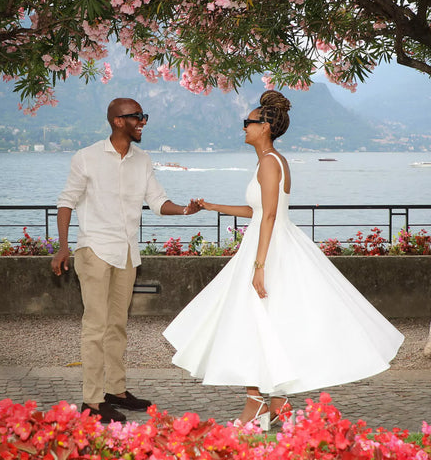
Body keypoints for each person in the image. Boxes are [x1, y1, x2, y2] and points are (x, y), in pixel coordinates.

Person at [163, 90, 404, 430]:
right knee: (266, 322)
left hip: (269, 249)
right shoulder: (272, 161)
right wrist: (212, 206)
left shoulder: (269, 162)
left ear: (264, 127)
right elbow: (257, 210)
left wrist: (259, 266)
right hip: (271, 243)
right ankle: (276, 403)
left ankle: (256, 405)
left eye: (248, 122)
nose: (244, 126)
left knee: (251, 321)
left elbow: (270, 215)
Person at [52, 97, 200, 424]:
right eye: (137, 116)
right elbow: (66, 202)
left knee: (117, 325)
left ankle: (115, 391)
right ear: (118, 121)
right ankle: (92, 402)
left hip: (127, 253)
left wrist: (184, 210)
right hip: (94, 250)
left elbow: (158, 201)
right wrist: (63, 247)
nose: (143, 121)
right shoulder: (86, 157)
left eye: (144, 116)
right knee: (95, 327)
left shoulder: (142, 160)